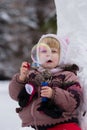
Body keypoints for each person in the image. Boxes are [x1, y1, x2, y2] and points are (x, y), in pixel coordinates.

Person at [9, 34, 82, 130]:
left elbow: (74, 100)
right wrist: (21, 78)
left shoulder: (67, 75)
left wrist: (53, 94)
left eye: (54, 51)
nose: (48, 54)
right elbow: (15, 95)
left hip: (61, 123)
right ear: (37, 56)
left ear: (62, 55)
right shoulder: (31, 75)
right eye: (44, 51)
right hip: (33, 126)